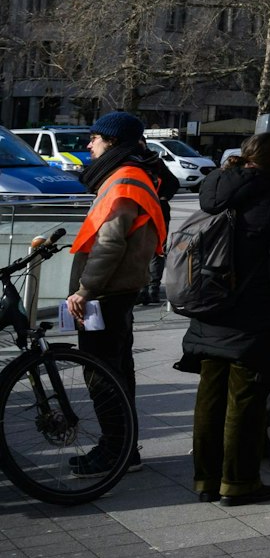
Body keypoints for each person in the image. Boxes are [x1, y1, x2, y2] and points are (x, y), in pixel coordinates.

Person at [181, 132, 270, 505]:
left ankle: (205, 479)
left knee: (209, 395)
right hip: (251, 311)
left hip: (207, 305)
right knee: (245, 398)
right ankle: (239, 483)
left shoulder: (215, 187)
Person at [66, 111, 171, 474]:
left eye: (94, 138)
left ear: (111, 141)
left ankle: (116, 451)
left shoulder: (124, 180)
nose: (88, 144)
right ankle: (124, 449)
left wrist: (85, 290)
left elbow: (109, 244)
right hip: (119, 290)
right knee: (118, 371)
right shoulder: (132, 176)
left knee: (102, 374)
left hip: (106, 293)